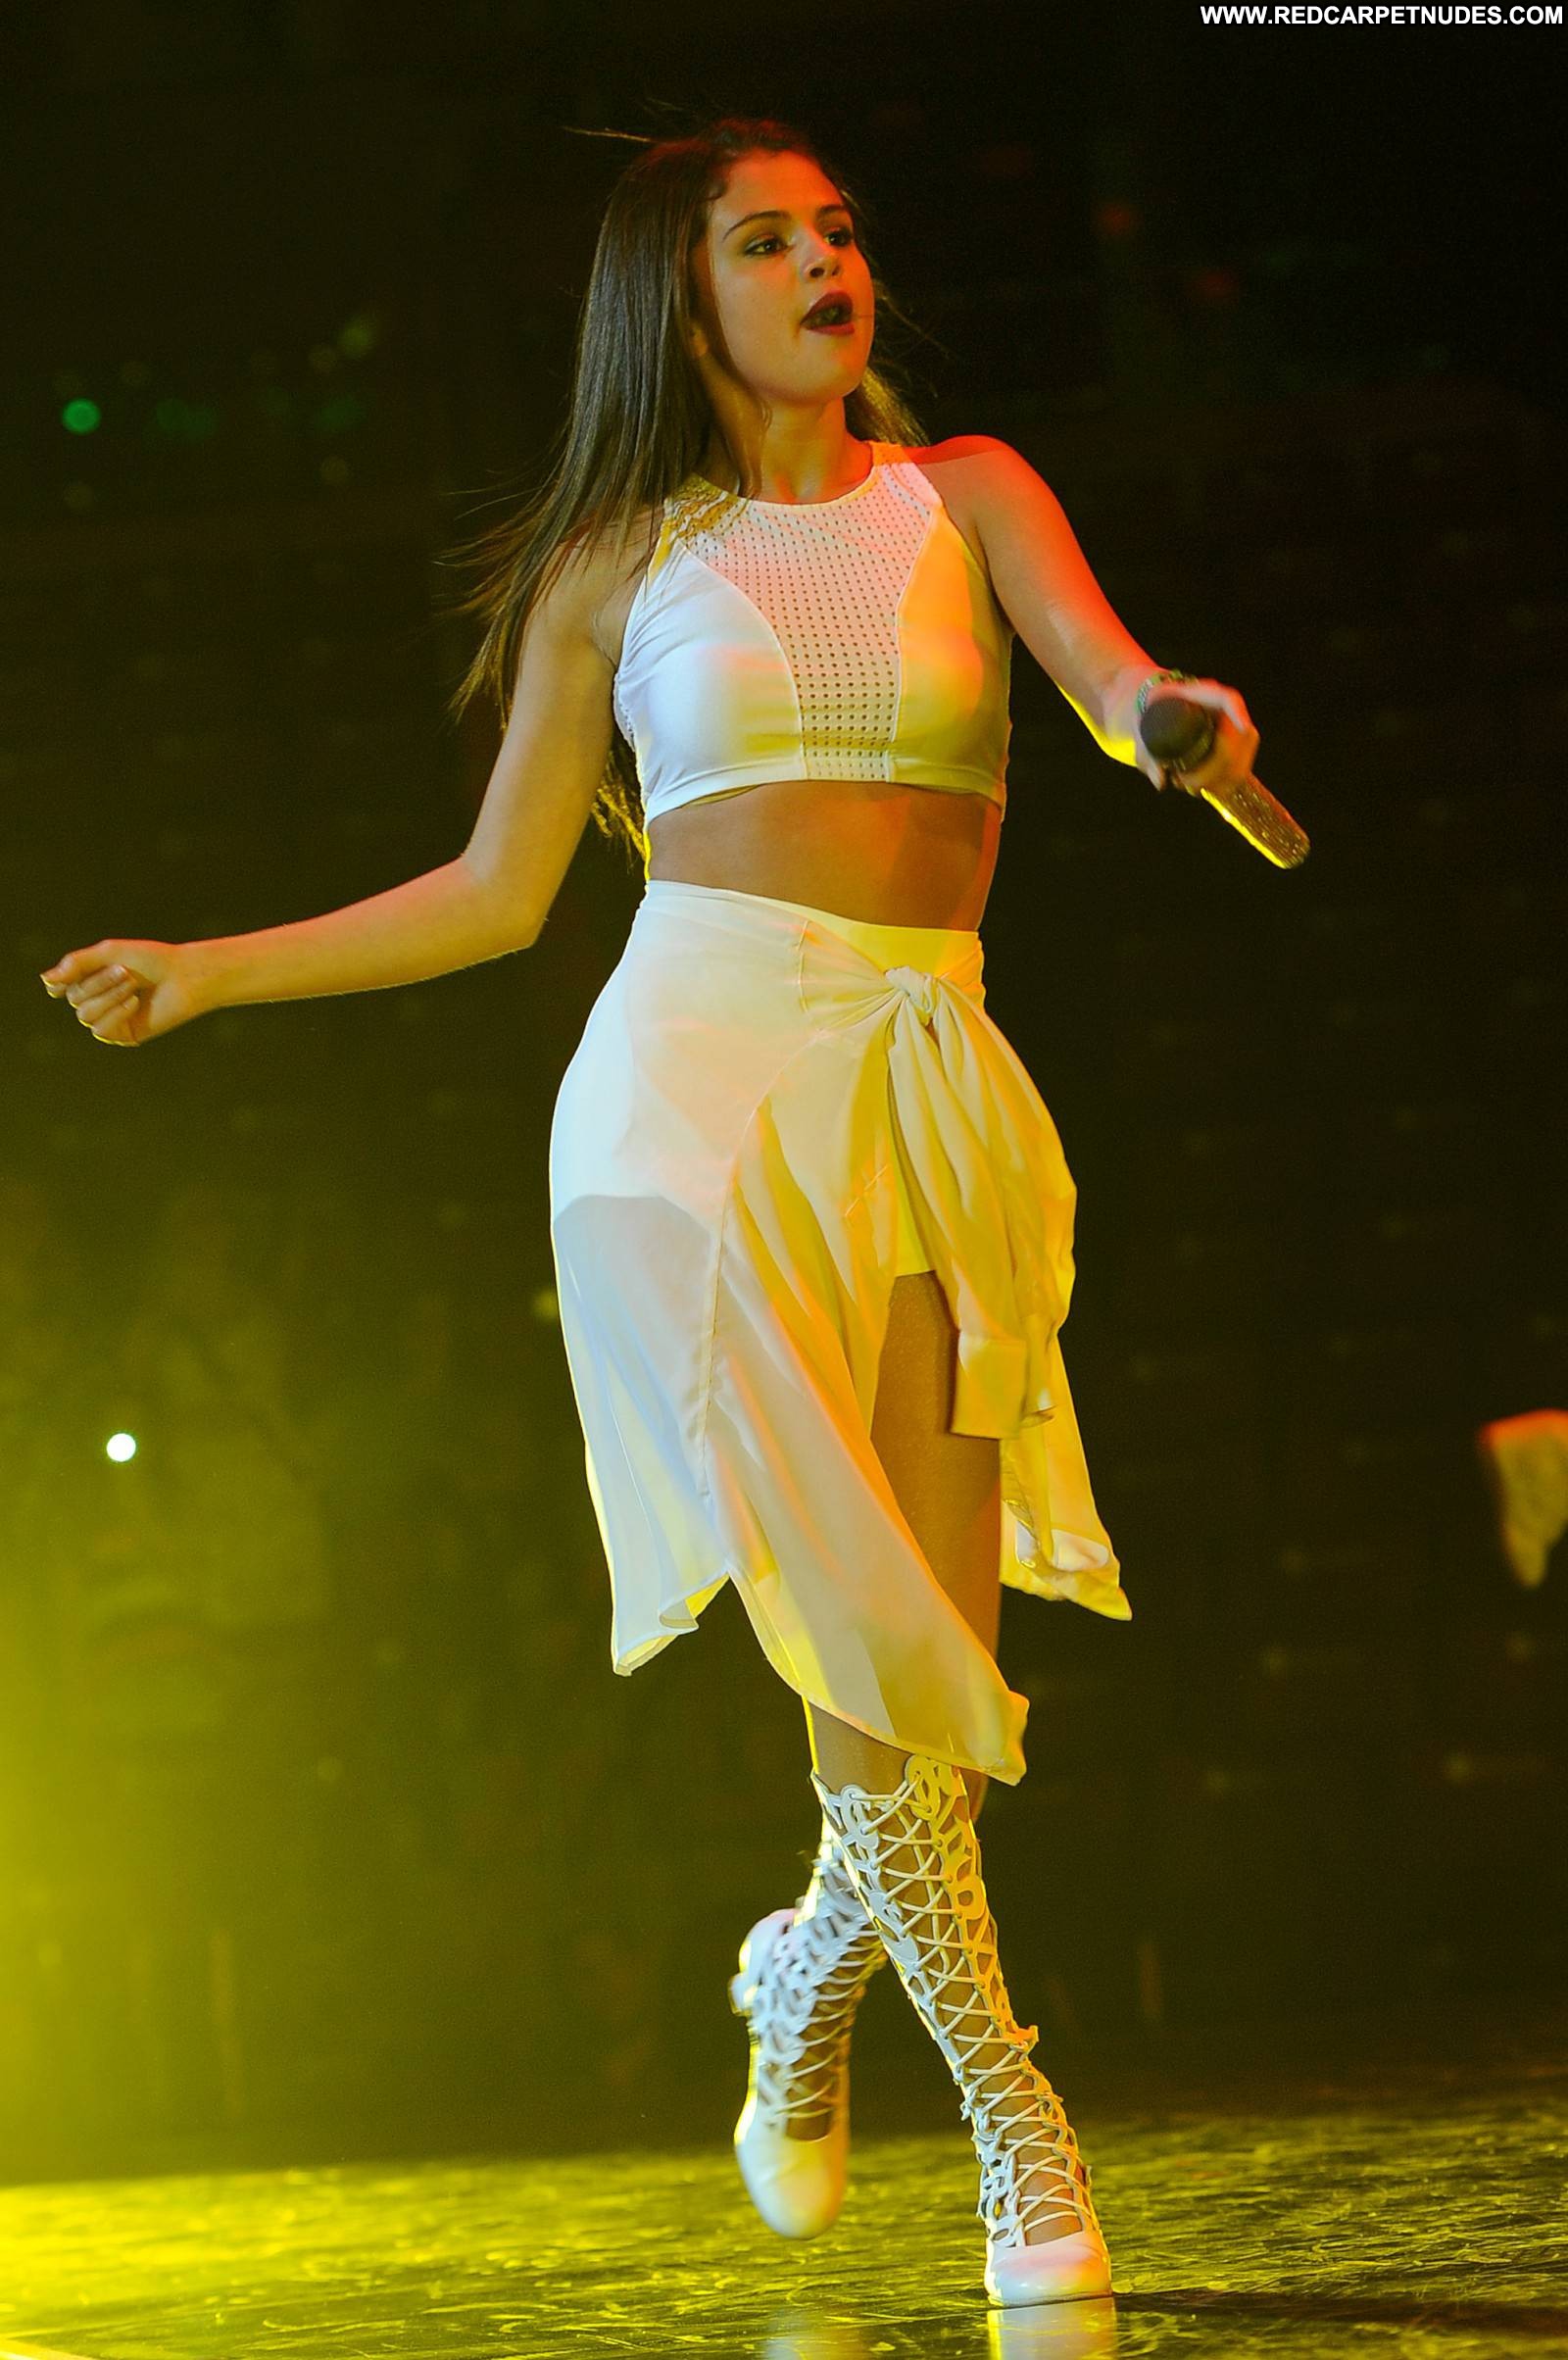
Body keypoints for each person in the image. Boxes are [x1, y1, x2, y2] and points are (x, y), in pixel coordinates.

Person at [39, 115, 1259, 2309]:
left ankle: (804, 1971)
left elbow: (1109, 680)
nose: (822, 265)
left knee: (931, 1658)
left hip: (919, 1074)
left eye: (838, 231)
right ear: (678, 305)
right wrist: (213, 969)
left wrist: (1174, 717)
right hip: (690, 1096)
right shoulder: (616, 563)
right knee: (854, 1619)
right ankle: (1017, 2120)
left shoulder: (965, 493)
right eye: (764, 241)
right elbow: (494, 893)